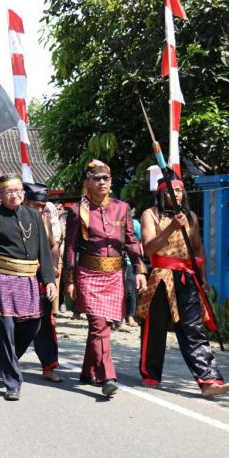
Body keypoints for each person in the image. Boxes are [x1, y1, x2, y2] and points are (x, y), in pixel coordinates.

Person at [137, 176, 229, 397]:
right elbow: (149, 249)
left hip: (187, 278)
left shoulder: (191, 217)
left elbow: (197, 249)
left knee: (193, 329)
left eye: (179, 191)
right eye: (171, 191)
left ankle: (208, 380)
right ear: (161, 194)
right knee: (155, 329)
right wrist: (171, 227)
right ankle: (150, 373)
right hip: (161, 277)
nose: (176, 195)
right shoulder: (149, 215)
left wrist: (203, 276)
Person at [62, 160, 146, 398]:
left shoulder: (122, 208)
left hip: (115, 275)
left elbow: (131, 240)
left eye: (105, 179)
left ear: (110, 182)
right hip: (88, 274)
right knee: (99, 325)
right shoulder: (78, 211)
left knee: (102, 326)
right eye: (96, 178)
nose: (101, 182)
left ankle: (88, 370)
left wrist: (140, 270)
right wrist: (69, 280)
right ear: (88, 182)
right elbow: (70, 248)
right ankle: (107, 376)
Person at [0, 176, 57, 401]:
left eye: (18, 190)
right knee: (5, 329)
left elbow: (44, 249)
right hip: (1, 278)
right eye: (9, 192)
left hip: (29, 278)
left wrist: (49, 280)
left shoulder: (33, 215)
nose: (14, 195)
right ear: (0, 195)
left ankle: (8, 358)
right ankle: (12, 382)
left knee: (33, 325)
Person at [22, 182, 63, 383]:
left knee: (46, 322)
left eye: (41, 206)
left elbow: (53, 246)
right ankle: (8, 357)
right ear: (24, 201)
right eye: (34, 206)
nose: (38, 210)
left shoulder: (44, 219)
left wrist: (53, 266)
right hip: (17, 276)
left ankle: (48, 366)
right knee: (16, 323)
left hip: (40, 277)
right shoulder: (13, 218)